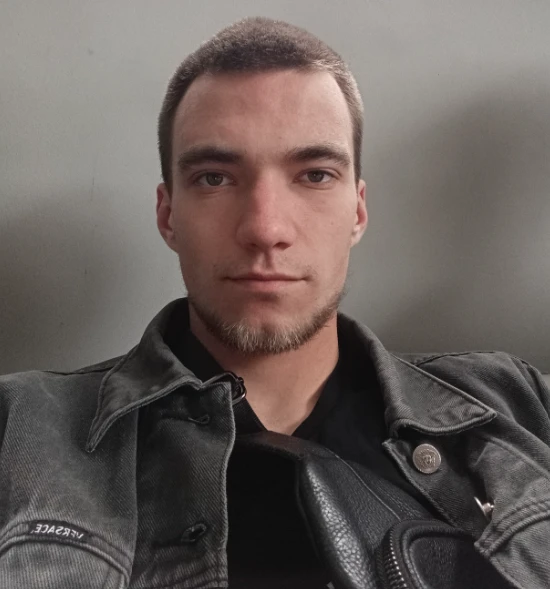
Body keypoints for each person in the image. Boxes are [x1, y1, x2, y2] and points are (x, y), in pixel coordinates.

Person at [0, 16, 549, 589]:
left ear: (357, 211)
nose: (265, 229)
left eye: (314, 175)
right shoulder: (20, 428)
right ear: (167, 215)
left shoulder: (518, 405)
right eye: (214, 178)